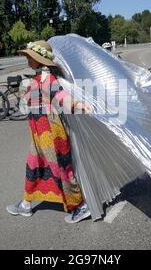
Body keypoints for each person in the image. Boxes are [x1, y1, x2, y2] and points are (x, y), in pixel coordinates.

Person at [7, 40, 92, 224]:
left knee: (60, 168)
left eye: (31, 56)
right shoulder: (38, 78)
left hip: (51, 132)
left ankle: (80, 205)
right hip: (39, 133)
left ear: (40, 59)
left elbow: (61, 96)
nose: (27, 59)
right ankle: (26, 204)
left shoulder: (48, 79)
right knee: (34, 165)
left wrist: (78, 104)